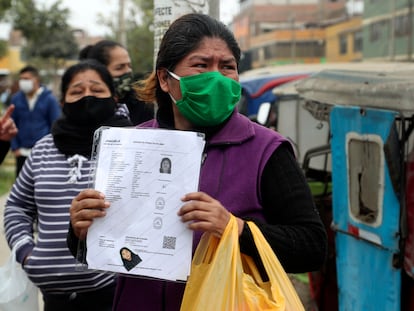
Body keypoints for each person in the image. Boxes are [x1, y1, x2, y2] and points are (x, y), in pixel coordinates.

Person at [67, 13, 327, 311]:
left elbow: (311, 247)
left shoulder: (267, 149)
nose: (216, 77)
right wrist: (80, 230)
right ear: (165, 79)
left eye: (227, 67)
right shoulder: (131, 146)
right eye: (201, 65)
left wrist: (235, 228)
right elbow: (94, 250)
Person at [3, 60, 133, 311]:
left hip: (115, 296)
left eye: (97, 90)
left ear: (114, 98)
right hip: (55, 299)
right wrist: (26, 252)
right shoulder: (43, 150)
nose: (87, 97)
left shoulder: (132, 147)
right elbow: (17, 208)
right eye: (77, 91)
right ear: (62, 102)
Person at [79, 40, 154, 125]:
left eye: (129, 66)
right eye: (119, 67)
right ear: (100, 72)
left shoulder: (142, 102)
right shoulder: (86, 108)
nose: (128, 71)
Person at [10, 65, 61, 177]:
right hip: (22, 153)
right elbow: (11, 124)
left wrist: (50, 149)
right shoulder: (16, 99)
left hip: (42, 154)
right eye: (21, 79)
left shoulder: (49, 99)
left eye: (26, 79)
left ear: (36, 79)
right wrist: (15, 147)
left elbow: (55, 125)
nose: (23, 82)